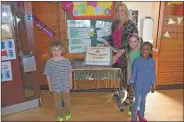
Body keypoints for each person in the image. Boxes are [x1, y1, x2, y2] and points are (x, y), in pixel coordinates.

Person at [103, 3, 138, 107]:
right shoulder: (115, 24)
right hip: (116, 54)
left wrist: (117, 56)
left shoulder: (130, 25)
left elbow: (128, 43)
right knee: (120, 76)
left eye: (122, 10)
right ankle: (120, 92)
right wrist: (107, 42)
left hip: (127, 56)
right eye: (117, 11)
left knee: (129, 78)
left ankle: (131, 101)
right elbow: (112, 37)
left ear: (126, 12)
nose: (119, 13)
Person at [44, 40, 72, 122]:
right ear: (51, 50)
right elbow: (48, 75)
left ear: (62, 50)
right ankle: (59, 114)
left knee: (66, 101)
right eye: (54, 50)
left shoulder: (66, 61)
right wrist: (49, 86)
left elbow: (70, 73)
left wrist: (70, 83)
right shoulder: (49, 62)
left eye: (58, 49)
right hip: (55, 86)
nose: (56, 52)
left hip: (65, 85)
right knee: (57, 102)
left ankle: (67, 112)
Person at [130, 42, 156, 121]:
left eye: (147, 49)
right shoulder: (136, 61)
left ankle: (141, 115)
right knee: (137, 102)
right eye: (143, 49)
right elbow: (133, 73)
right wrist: (131, 83)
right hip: (138, 85)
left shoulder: (152, 61)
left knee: (143, 101)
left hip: (146, 86)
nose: (145, 51)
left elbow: (153, 74)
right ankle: (133, 118)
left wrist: (153, 85)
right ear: (140, 50)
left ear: (150, 51)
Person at [126, 34, 142, 116]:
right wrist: (129, 77)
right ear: (128, 42)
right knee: (131, 92)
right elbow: (129, 66)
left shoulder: (142, 53)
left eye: (135, 41)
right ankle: (132, 105)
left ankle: (136, 107)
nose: (133, 44)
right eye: (131, 41)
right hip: (132, 76)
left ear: (138, 41)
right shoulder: (129, 53)